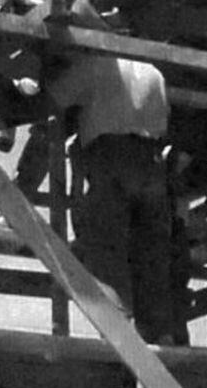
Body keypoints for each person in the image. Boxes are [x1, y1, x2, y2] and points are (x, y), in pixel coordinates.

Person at [47, 51, 176, 344]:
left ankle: (120, 331)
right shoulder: (154, 71)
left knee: (105, 246)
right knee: (151, 251)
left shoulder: (93, 64)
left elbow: (52, 99)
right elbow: (164, 121)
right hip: (150, 161)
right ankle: (159, 333)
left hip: (109, 156)